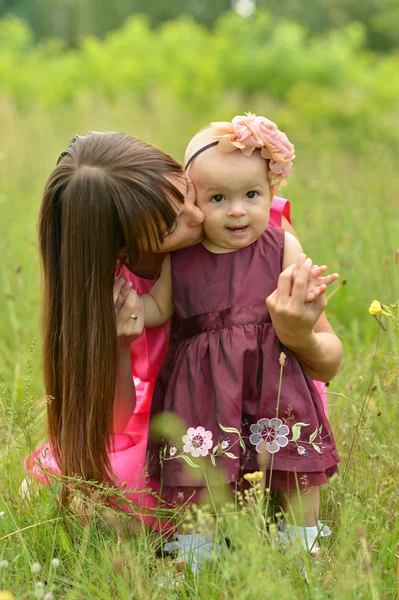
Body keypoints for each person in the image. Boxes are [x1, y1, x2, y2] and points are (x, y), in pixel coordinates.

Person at [139, 114, 342, 552]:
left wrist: (307, 296)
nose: (236, 209)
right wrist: (130, 307)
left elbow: (300, 298)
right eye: (217, 198)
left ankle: (301, 538)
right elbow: (159, 306)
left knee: (292, 465)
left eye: (251, 195)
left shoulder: (280, 244)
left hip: (273, 380)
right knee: (201, 473)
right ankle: (199, 547)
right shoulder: (182, 259)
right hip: (203, 388)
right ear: (193, 202)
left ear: (271, 193)